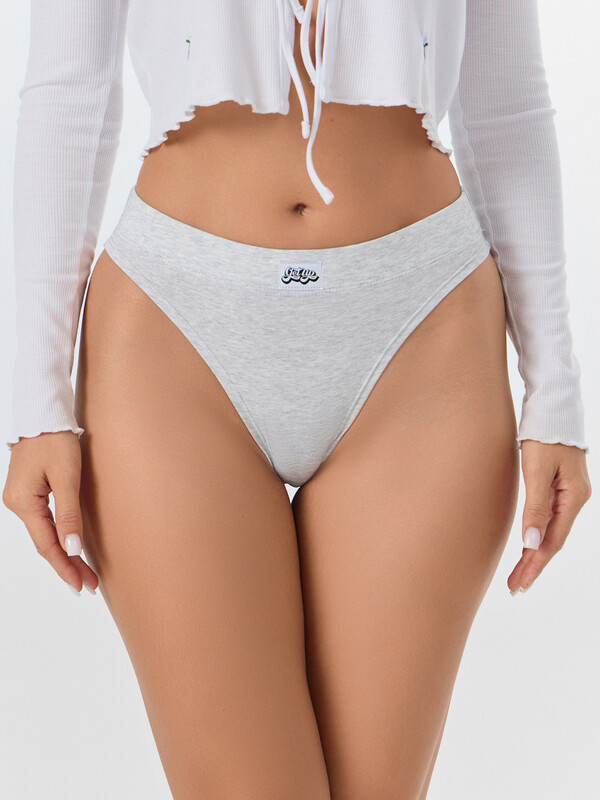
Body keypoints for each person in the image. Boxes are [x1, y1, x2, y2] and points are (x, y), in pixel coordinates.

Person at [2, 0, 592, 797]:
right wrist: (37, 400)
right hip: (175, 332)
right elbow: (69, 88)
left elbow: (506, 100)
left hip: (420, 334)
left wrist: (555, 394)